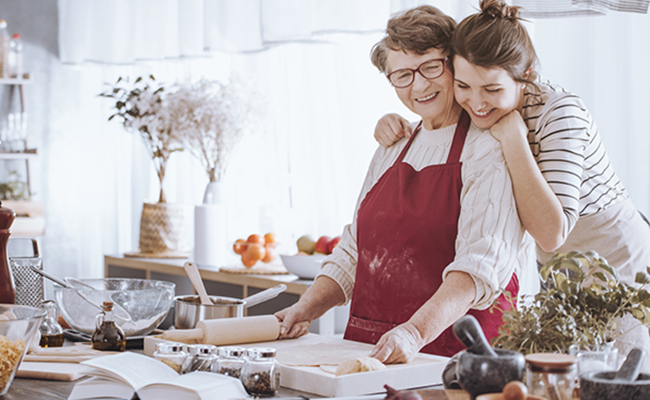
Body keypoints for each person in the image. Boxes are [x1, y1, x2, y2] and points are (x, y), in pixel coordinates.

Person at [374, 0, 650, 363]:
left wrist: (515, 138)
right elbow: (438, 118)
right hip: (557, 268)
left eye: (490, 89)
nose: (476, 102)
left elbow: (552, 232)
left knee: (620, 374)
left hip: (615, 255)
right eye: (464, 86)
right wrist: (394, 123)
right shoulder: (481, 108)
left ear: (527, 75)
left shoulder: (561, 113)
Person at [275, 5, 533, 364]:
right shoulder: (392, 145)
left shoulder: (489, 147)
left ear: (454, 64)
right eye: (402, 75)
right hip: (372, 351)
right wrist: (304, 309)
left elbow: (479, 268)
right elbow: (354, 251)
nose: (420, 85)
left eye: (431, 67)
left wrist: (414, 332)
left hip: (454, 358)